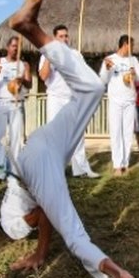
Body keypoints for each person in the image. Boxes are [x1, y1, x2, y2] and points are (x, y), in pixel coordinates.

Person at [0, 0, 139, 278]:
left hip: (39, 157)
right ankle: (30, 29)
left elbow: (39, 216)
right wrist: (40, 250)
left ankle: (119, 275)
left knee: (73, 231)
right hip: (45, 146)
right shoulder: (14, 212)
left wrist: (38, 252)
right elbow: (44, 213)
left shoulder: (9, 221)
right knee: (93, 88)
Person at [38, 24, 99, 178]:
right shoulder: (46, 54)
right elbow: (43, 76)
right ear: (54, 38)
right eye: (61, 36)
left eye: (66, 36)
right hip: (55, 97)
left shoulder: (76, 54)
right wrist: (49, 57)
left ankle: (81, 169)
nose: (64, 39)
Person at [99, 35, 139, 175]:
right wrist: (106, 68)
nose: (132, 49)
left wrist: (135, 74)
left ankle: (125, 162)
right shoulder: (110, 59)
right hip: (116, 100)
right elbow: (103, 79)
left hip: (130, 100)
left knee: (127, 132)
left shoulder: (133, 60)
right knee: (116, 131)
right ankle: (117, 164)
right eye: (131, 45)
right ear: (125, 45)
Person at [0, 36, 32, 181]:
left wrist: (23, 80)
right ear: (8, 47)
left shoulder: (24, 65)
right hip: (1, 102)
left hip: (16, 103)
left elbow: (29, 85)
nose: (16, 49)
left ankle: (15, 172)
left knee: (16, 139)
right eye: (14, 46)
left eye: (18, 46)